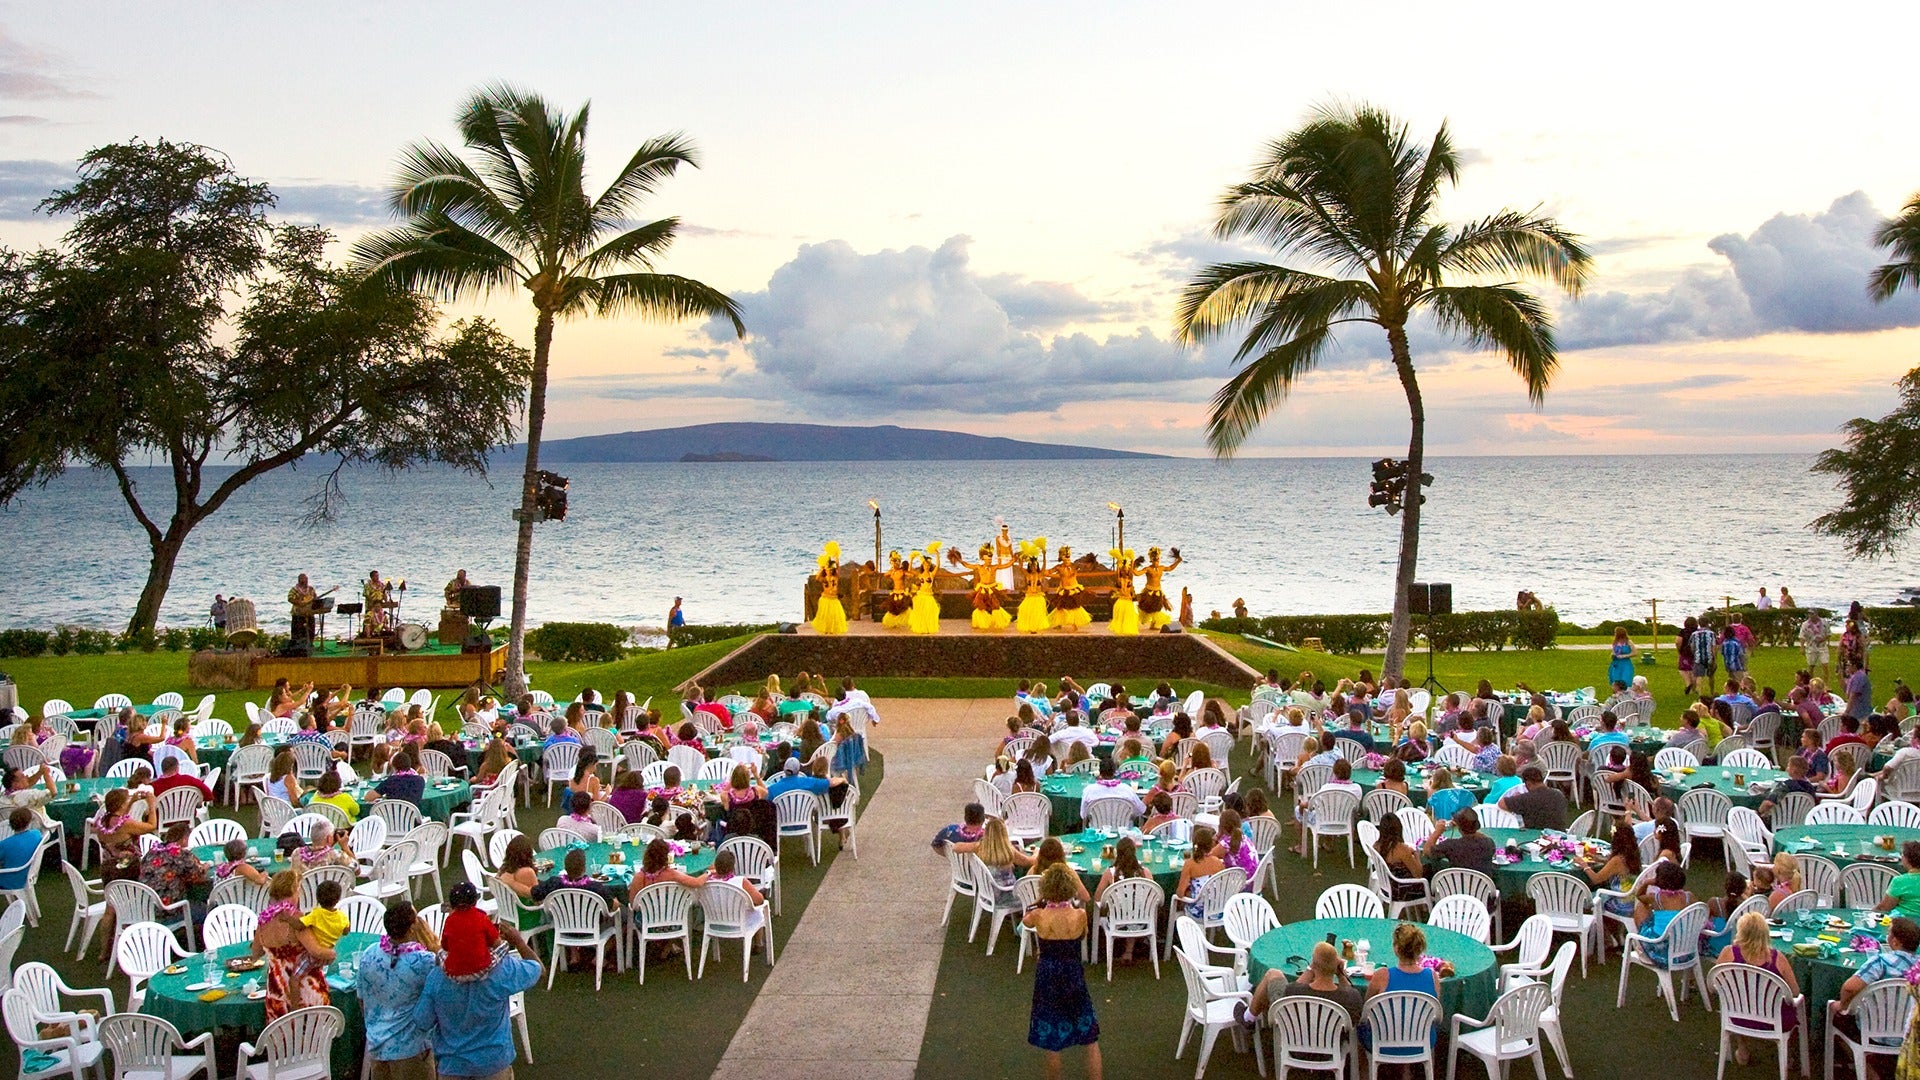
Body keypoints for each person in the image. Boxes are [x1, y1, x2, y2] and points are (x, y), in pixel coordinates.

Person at [412, 882, 545, 1080]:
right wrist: (518, 941)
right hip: (494, 1065)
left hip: (452, 1067)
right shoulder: (503, 970)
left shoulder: (436, 978)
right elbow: (540, 971)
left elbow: (422, 1021)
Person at [1024, 864, 1102, 1077]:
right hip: (1072, 973)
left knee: (1052, 1040)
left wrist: (1038, 904)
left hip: (1048, 974)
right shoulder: (1079, 915)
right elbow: (1083, 935)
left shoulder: (1039, 916)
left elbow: (1025, 920)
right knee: (1090, 1036)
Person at [357, 900, 441, 1080]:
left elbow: (362, 1000)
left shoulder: (369, 953)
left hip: (378, 1046)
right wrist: (433, 944)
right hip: (411, 1050)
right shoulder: (424, 961)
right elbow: (446, 986)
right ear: (411, 928)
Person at [1714, 911, 1802, 1066]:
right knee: (1797, 1006)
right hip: (1776, 1020)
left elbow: (1714, 984)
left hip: (1737, 1016)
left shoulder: (1728, 953)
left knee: (1738, 1003)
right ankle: (1787, 1055)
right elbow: (1794, 992)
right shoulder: (1777, 958)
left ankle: (1742, 1049)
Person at [251, 870, 334, 1020]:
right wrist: (330, 953)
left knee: (283, 1039)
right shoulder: (295, 919)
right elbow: (315, 951)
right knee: (311, 1038)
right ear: (294, 891)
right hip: (305, 990)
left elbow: (255, 953)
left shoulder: (263, 920)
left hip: (277, 991)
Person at [1829, 916, 1920, 1043]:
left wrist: (1842, 1005)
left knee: (1834, 1013)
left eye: (1889, 933)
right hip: (1911, 1034)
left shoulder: (1881, 962)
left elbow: (1849, 988)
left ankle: (1862, 1059)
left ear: (1895, 942)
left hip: (1872, 1030)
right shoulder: (1918, 967)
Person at [1245, 941, 1364, 1031]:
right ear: (1337, 967)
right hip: (1334, 1049)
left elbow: (1297, 985)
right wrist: (1341, 975)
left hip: (1296, 1047)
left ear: (1314, 966)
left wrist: (1312, 967)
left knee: (1273, 974)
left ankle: (1248, 1018)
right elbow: (1349, 991)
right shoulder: (1351, 997)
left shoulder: (1294, 992)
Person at [1362, 923, 1442, 1053]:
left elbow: (1366, 1008)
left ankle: (1365, 1072)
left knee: (1358, 1029)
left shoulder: (1382, 976)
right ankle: (1411, 1071)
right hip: (1422, 1043)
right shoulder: (1432, 976)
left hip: (1383, 1042)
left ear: (1396, 949)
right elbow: (1435, 1014)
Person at [1424, 806, 1497, 875]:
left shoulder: (1450, 845)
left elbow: (1427, 851)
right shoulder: (1488, 843)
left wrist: (1437, 831)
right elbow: (1481, 836)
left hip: (1455, 886)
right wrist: (1470, 828)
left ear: (1459, 827)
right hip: (1482, 887)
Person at [1499, 766, 1571, 830]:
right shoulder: (1559, 795)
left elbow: (1501, 803)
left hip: (1535, 837)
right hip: (1559, 836)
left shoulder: (1526, 799)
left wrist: (1515, 797)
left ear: (1528, 784)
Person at [0, 808, 42, 891]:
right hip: (27, 875)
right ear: (29, 822)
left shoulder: (5, 844)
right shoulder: (36, 834)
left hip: (10, 880)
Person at [1876, 842, 1920, 920]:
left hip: (1904, 924)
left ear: (1906, 859)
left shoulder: (1900, 881)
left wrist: (1868, 915)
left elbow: (1884, 908)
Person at [302, 878, 349, 949]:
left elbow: (300, 924)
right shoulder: (342, 917)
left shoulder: (316, 914)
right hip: (330, 949)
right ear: (338, 899)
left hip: (314, 950)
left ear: (317, 898)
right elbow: (346, 932)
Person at [1801, 609, 1831, 680]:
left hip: (1822, 647)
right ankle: (1810, 683)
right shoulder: (1805, 624)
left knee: (1825, 665)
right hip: (1811, 647)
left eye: (1812, 614)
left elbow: (1828, 634)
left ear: (1816, 614)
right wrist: (1802, 647)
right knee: (1811, 666)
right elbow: (1802, 636)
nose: (1810, 616)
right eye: (1809, 614)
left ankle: (1826, 684)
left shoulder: (1824, 623)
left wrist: (1823, 639)